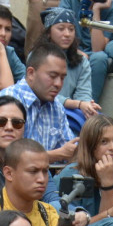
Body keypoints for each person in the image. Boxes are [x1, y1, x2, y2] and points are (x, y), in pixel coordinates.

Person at [0, 44, 78, 164]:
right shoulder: (7, 100)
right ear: (31, 73)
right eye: (52, 76)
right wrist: (54, 156)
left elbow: (70, 148)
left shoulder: (57, 106)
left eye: (62, 78)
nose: (58, 84)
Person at [58, 0, 113, 101]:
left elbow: (98, 49)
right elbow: (60, 32)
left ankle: (88, 105)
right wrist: (75, 50)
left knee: (101, 58)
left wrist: (96, 10)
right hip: (70, 49)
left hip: (93, 55)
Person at [39, 7, 99, 135]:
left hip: (74, 110)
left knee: (99, 123)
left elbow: (84, 93)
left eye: (71, 29)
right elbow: (42, 93)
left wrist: (88, 105)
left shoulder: (82, 60)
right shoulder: (38, 57)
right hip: (46, 109)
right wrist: (78, 104)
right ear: (48, 32)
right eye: (61, 28)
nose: (67, 34)